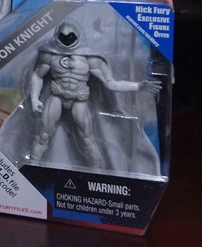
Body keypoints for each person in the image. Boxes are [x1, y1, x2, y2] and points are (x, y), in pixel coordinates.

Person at [29, 20, 160, 169]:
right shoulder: (50, 54)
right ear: (57, 36)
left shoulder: (90, 58)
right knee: (44, 134)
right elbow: (37, 76)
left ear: (77, 36)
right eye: (63, 37)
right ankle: (33, 165)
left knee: (88, 139)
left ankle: (97, 171)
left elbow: (111, 83)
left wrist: (138, 86)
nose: (66, 40)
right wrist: (34, 98)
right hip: (57, 96)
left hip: (79, 99)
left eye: (70, 37)